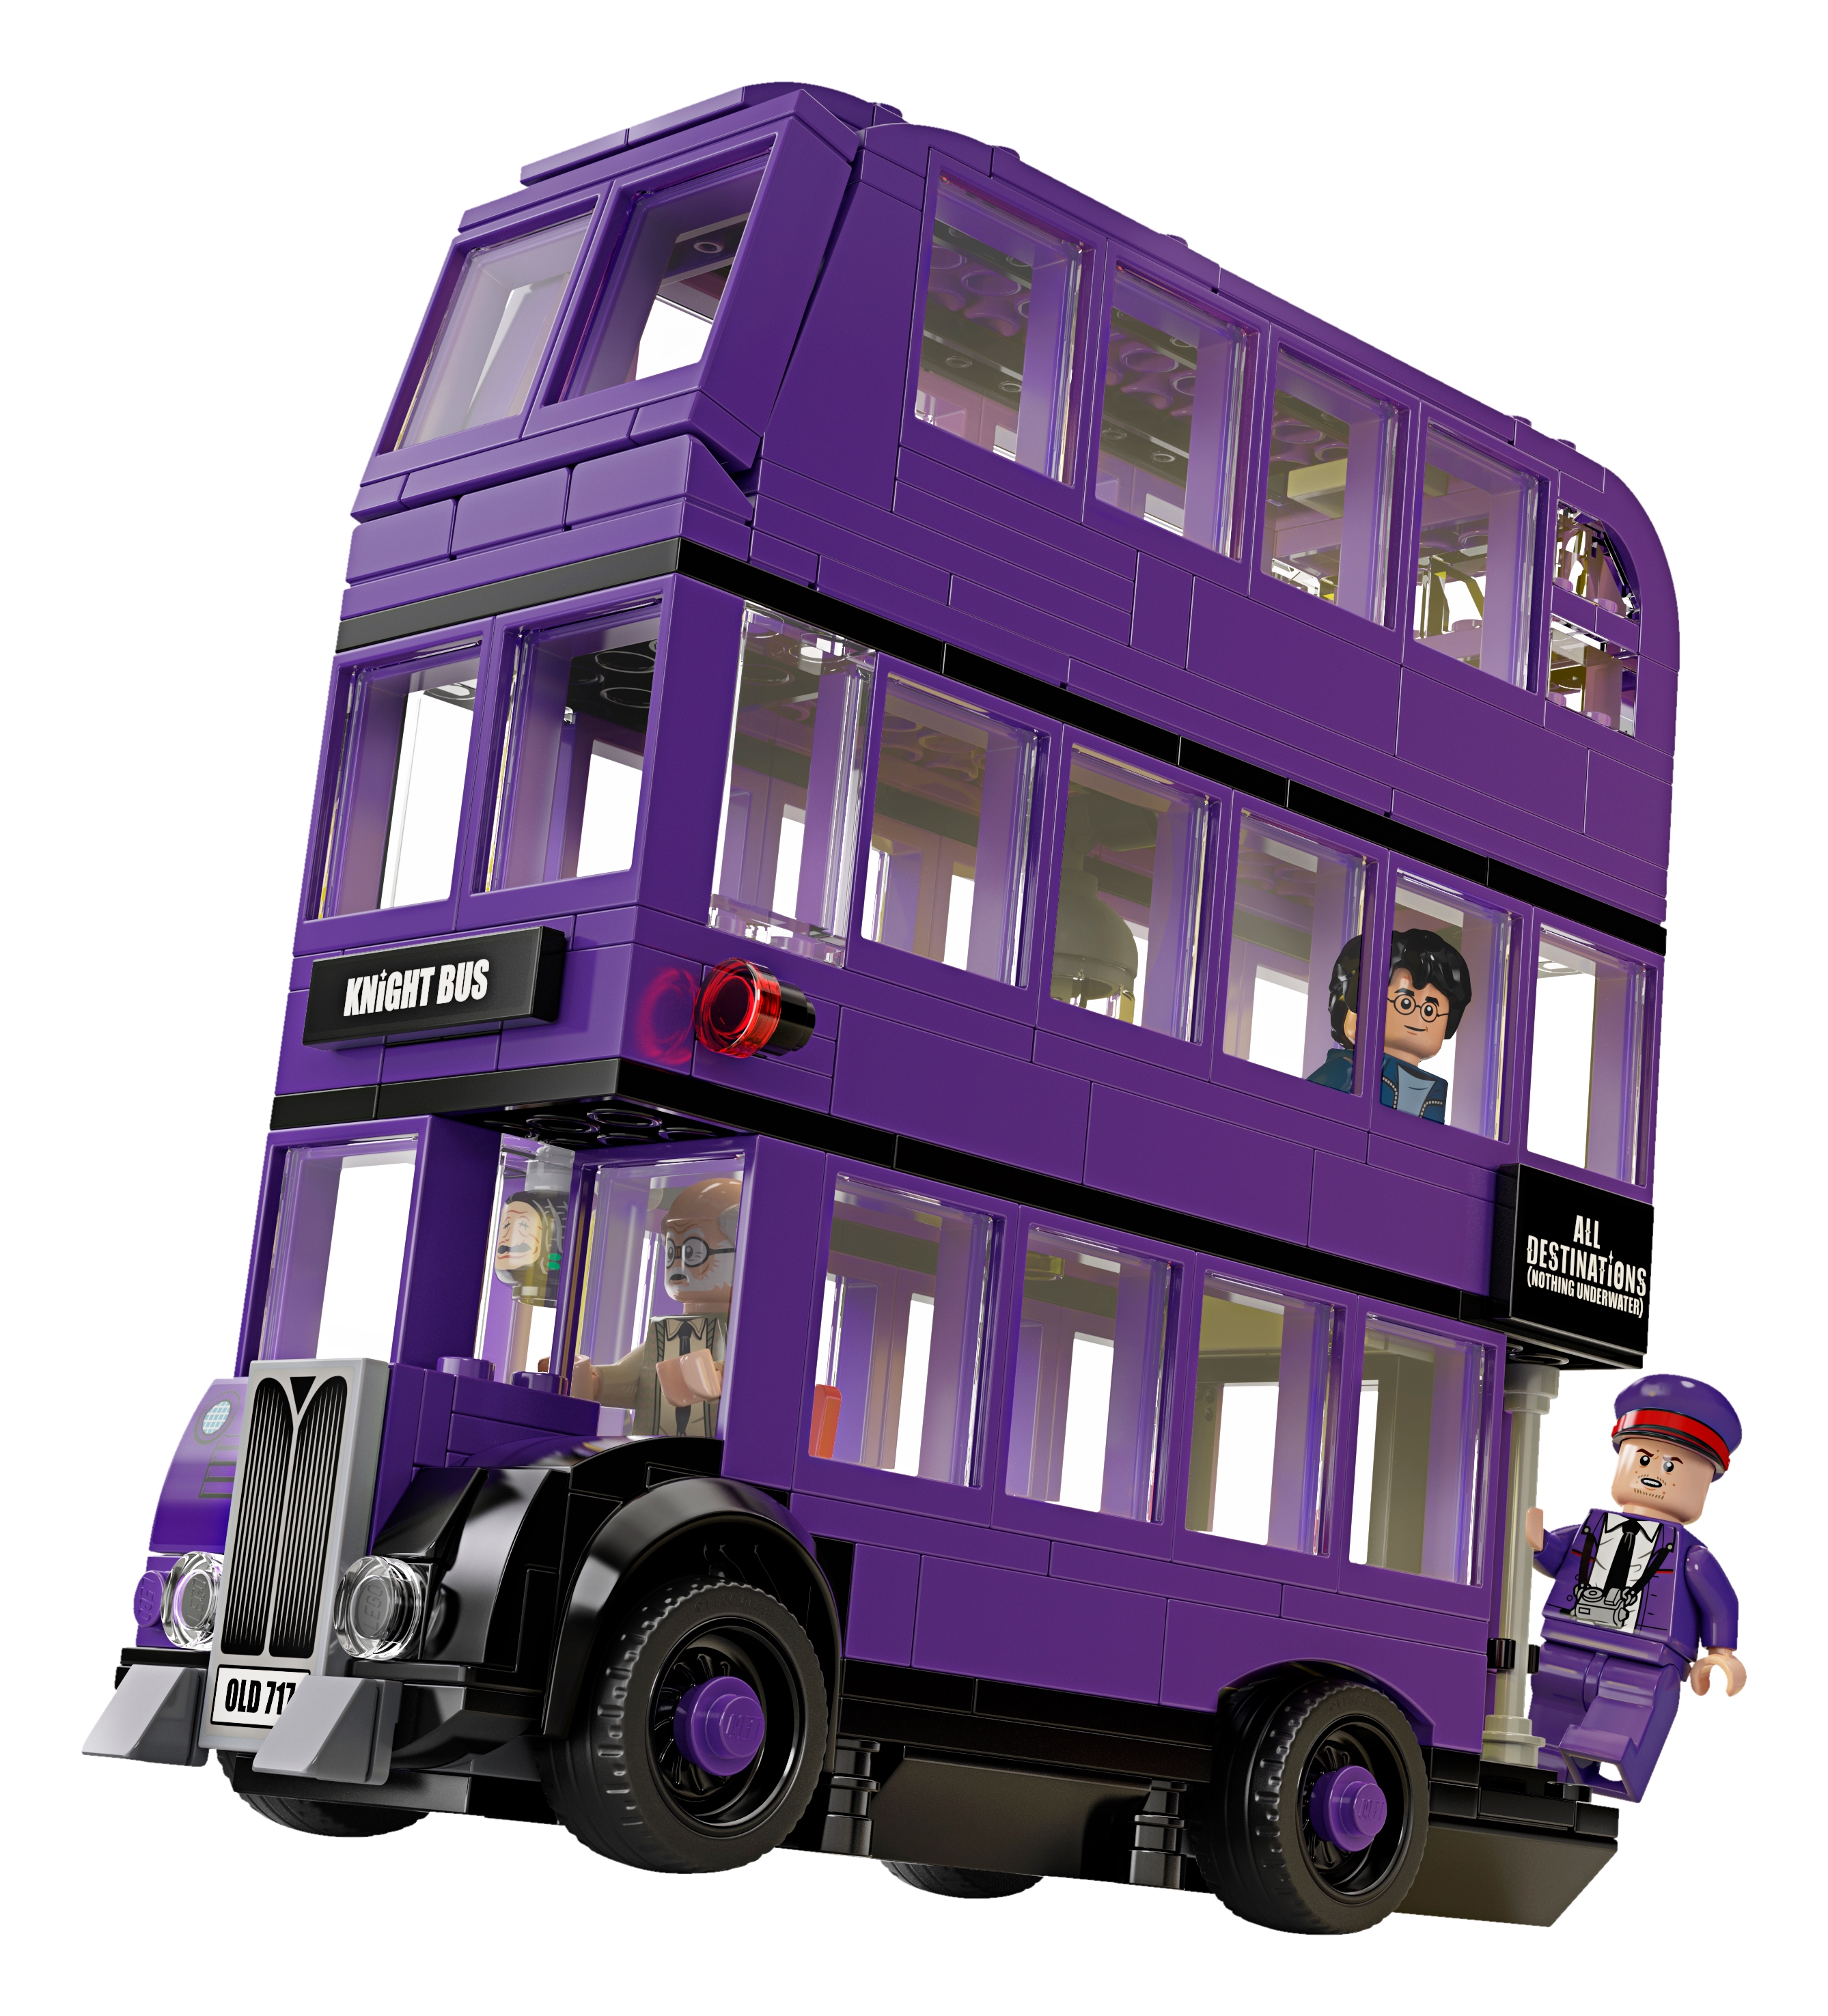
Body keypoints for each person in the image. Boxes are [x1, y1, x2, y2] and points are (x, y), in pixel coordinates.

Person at [1525, 1373, 1743, 1802]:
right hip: (1566, 1648)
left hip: (1643, 1664)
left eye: (1671, 1466)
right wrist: (1537, 1542)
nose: (1654, 1474)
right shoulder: (1591, 1530)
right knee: (1548, 1721)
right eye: (1643, 1459)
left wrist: (1721, 1653)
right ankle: (1540, 1776)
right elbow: (1556, 1556)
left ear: (1705, 1482)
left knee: (1618, 1728)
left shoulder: (1691, 1555)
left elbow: (1720, 1602)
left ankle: (1597, 1768)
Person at [570, 1176, 741, 1436]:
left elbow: (762, 1383)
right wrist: (593, 1381)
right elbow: (635, 1380)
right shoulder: (663, 1331)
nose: (678, 1265)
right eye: (672, 1251)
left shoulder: (745, 1332)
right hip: (650, 1449)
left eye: (694, 1252)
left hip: (716, 1454)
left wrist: (720, 1377)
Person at [1306, 927, 1472, 1122]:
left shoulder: (1432, 1091)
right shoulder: (1346, 1071)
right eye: (1405, 1003)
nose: (1418, 1018)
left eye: (1430, 1010)